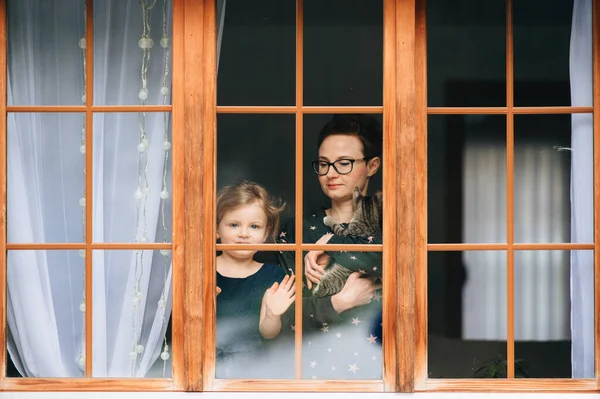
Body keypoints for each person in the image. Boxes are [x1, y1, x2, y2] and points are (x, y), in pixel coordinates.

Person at [277, 114, 383, 379]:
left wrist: (330, 244)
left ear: (372, 166)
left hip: (383, 370)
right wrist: (338, 302)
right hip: (310, 370)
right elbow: (282, 318)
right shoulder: (297, 230)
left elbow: (387, 262)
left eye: (344, 163)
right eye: (323, 164)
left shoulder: (394, 222)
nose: (331, 173)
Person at [215, 180, 296, 379]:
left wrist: (272, 313)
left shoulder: (273, 275)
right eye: (234, 225)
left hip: (253, 371)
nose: (244, 234)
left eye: (254, 226)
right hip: (205, 369)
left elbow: (268, 333)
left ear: (265, 233)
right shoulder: (201, 270)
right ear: (217, 229)